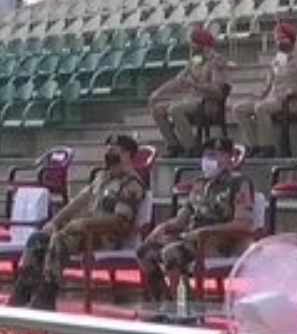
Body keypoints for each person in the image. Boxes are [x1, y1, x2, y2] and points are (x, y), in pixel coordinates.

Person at [8, 135, 146, 310]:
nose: (108, 151)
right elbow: (78, 201)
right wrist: (54, 221)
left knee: (59, 240)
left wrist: (84, 224)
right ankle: (23, 291)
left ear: (127, 154)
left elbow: (119, 221)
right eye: (107, 147)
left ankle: (46, 296)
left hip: (105, 237)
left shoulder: (131, 184)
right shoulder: (102, 177)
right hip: (83, 234)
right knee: (39, 238)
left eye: (113, 148)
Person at [136, 138, 254, 302]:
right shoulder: (200, 185)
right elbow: (182, 219)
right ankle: (165, 300)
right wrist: (162, 227)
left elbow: (243, 224)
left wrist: (205, 231)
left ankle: (181, 307)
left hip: (216, 242)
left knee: (171, 253)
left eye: (216, 155)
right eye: (207, 156)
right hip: (191, 241)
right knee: (145, 252)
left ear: (229, 158)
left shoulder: (239, 183)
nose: (210, 160)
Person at [231, 22, 297, 158]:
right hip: (271, 97)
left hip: (289, 100)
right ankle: (254, 145)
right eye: (277, 39)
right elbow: (269, 83)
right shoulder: (276, 59)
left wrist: (292, 91)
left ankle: (267, 147)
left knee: (261, 108)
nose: (279, 42)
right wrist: (260, 93)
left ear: (291, 39)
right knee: (238, 108)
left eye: (282, 38)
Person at [149, 26, 230, 158]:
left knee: (175, 109)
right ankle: (174, 145)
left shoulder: (217, 61)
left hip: (208, 103)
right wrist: (158, 92)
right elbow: (178, 81)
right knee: (157, 109)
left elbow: (217, 91)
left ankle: (192, 148)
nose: (191, 45)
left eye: (194, 42)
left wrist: (195, 85)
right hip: (191, 100)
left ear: (202, 44)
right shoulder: (195, 59)